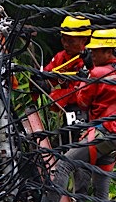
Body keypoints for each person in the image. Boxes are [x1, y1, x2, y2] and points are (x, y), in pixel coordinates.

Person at [36, 28, 116, 202]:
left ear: (107, 50)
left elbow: (81, 100)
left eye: (96, 51)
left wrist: (81, 79)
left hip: (103, 131)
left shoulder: (97, 72)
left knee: (65, 164)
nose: (92, 55)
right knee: (101, 191)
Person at [31, 15, 91, 144]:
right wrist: (40, 82)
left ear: (84, 40)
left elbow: (86, 95)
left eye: (71, 41)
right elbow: (48, 74)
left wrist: (57, 96)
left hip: (90, 119)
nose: (65, 44)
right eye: (64, 39)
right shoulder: (62, 57)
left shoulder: (93, 61)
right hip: (69, 116)